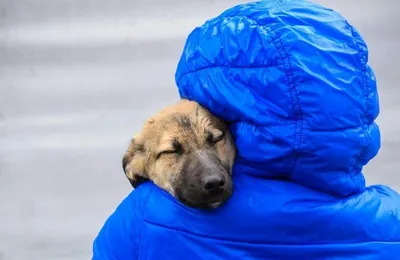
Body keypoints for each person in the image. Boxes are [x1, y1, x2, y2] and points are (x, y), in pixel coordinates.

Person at [92, 0, 400, 259]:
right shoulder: (390, 222)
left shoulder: (143, 219)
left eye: (215, 138)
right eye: (174, 151)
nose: (210, 176)